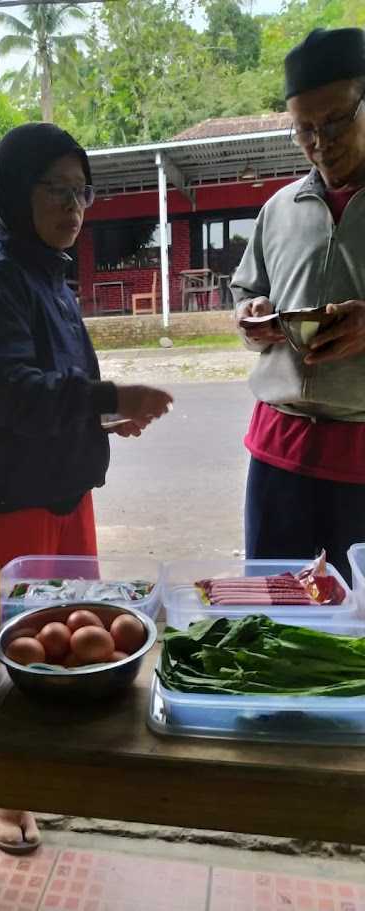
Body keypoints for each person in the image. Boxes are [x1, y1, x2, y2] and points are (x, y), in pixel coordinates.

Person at [0, 122, 172, 854]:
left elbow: (55, 391)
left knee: (71, 643)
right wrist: (106, 397)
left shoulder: (50, 274)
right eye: (55, 190)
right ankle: (5, 795)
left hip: (65, 492)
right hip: (10, 503)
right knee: (10, 654)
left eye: (82, 191)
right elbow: (8, 394)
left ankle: (50, 771)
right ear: (15, 193)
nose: (73, 206)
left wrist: (102, 418)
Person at [232, 27, 365, 584]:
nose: (320, 141)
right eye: (304, 128)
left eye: (335, 121)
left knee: (354, 632)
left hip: (359, 458)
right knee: (272, 608)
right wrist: (248, 316)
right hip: (277, 452)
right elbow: (244, 289)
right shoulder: (279, 209)